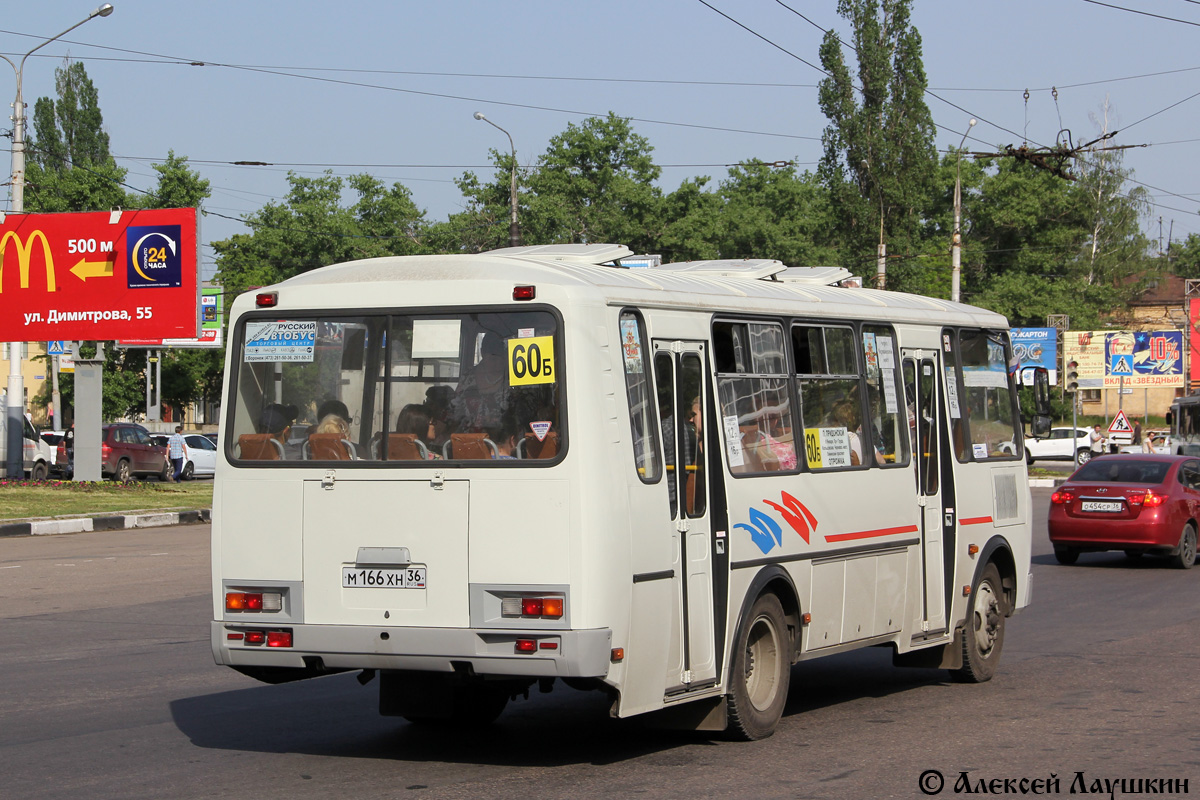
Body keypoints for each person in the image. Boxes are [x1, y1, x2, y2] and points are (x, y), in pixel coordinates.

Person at [450, 333, 510, 434]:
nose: (497, 362)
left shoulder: (513, 380)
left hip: (502, 441)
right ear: (482, 353)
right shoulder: (468, 376)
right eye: (492, 358)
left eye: (501, 357)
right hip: (467, 439)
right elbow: (454, 409)